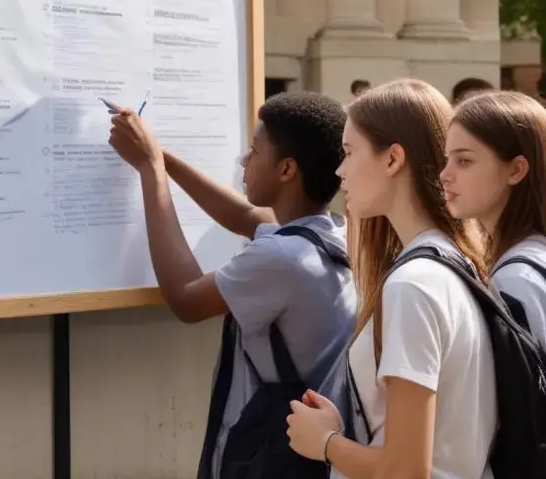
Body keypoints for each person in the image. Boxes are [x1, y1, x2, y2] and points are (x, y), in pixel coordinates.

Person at [109, 91, 355, 478]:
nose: (244, 161)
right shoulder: (332, 234)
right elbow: (243, 214)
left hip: (266, 456)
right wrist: (160, 155)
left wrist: (150, 169)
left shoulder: (282, 259)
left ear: (287, 170)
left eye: (255, 152)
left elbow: (186, 298)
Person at [286, 78, 495, 479]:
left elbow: (405, 469)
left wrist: (326, 443)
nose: (339, 170)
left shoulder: (413, 284)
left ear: (393, 158)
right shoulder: (455, 263)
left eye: (349, 153)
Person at [440, 90, 546, 341]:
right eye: (448, 159)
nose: (445, 174)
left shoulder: (516, 280)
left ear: (516, 170)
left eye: (464, 161)